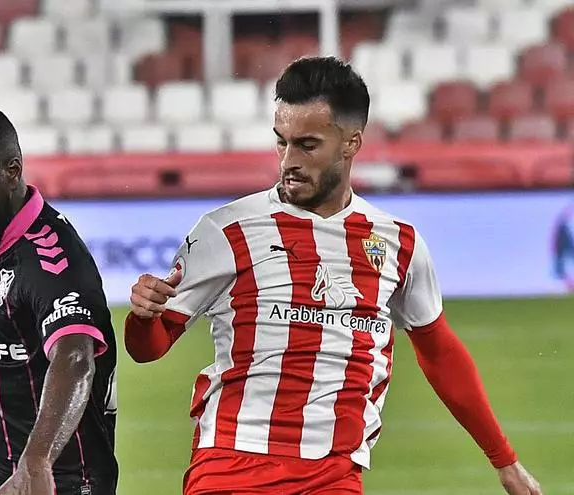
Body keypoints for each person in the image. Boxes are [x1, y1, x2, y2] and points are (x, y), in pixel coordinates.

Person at [124, 57, 542, 495]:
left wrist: (505, 462)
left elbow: (439, 353)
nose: (289, 160)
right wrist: (144, 317)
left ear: (351, 142)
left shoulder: (397, 243)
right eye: (281, 142)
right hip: (232, 467)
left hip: (334, 475)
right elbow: (147, 348)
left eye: (307, 145)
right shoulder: (226, 230)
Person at [0, 92, 118, 495]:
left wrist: (36, 461)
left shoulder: (52, 264)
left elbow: (75, 356)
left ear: (12, 173)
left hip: (55, 484)